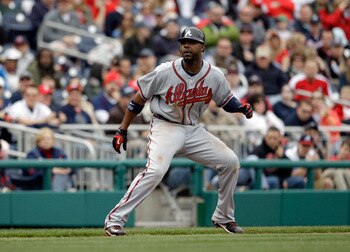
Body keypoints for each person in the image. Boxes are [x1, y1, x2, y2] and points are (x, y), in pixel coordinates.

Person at [104, 27, 253, 236]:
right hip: (165, 126)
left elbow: (226, 100)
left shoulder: (214, 74)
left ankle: (224, 217)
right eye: (183, 43)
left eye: (191, 43)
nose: (186, 46)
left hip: (193, 129)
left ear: (202, 47)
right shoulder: (165, 70)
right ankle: (115, 220)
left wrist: (240, 107)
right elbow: (138, 99)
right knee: (155, 171)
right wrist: (122, 129)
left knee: (230, 162)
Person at [26, 127, 74, 191]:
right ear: (38, 141)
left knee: (62, 176)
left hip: (62, 182)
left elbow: (71, 167)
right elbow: (32, 173)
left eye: (49, 139)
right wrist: (51, 171)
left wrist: (68, 169)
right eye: (43, 139)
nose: (46, 141)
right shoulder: (32, 154)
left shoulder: (59, 152)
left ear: (53, 140)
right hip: (39, 186)